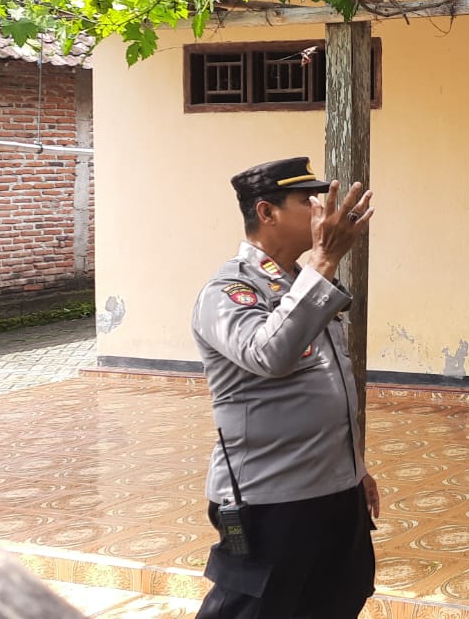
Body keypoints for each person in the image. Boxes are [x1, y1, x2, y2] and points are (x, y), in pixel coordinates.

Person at [191, 156, 379, 619]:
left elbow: (327, 385)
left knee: (338, 596)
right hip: (270, 500)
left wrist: (354, 469)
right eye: (305, 200)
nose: (320, 209)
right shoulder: (229, 291)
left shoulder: (302, 281)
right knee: (257, 611)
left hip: (334, 489)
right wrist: (326, 260)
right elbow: (268, 355)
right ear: (266, 212)